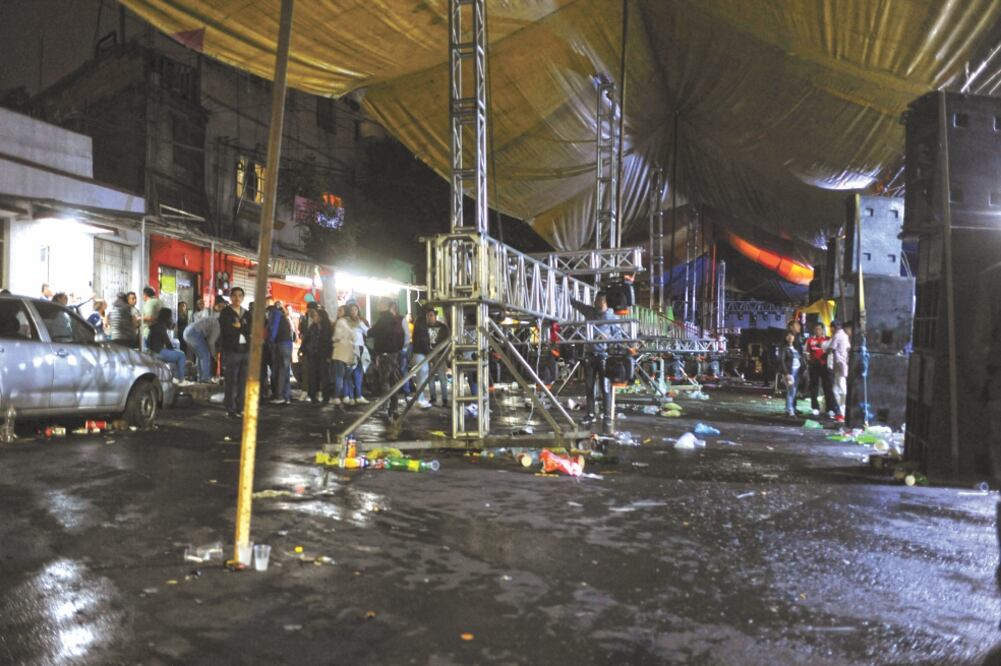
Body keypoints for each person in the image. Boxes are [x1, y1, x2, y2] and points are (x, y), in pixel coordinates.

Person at [571, 293, 618, 430]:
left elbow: (619, 335)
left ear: (605, 302)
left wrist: (607, 337)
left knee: (605, 387)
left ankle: (607, 415)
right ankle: (590, 414)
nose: (596, 303)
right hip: (590, 355)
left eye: (599, 301)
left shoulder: (611, 317)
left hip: (604, 356)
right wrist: (567, 288)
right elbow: (576, 304)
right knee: (589, 387)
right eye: (596, 301)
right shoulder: (591, 312)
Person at [369, 298, 406, 418]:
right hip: (393, 353)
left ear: (385, 305)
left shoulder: (384, 319)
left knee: (384, 379)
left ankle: (384, 404)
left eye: (379, 303)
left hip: (385, 353)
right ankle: (393, 405)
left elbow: (372, 332)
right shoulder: (393, 319)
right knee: (392, 380)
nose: (377, 305)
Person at [219, 287, 251, 418]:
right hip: (232, 350)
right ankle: (230, 408)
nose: (237, 298)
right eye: (235, 296)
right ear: (230, 297)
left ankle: (241, 407)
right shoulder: (226, 313)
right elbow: (227, 331)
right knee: (231, 381)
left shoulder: (247, 313)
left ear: (243, 298)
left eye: (240, 296)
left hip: (245, 350)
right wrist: (243, 329)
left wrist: (240, 327)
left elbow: (250, 329)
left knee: (243, 381)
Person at [332, 301, 369, 405]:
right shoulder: (345, 321)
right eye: (351, 309)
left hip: (360, 348)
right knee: (348, 373)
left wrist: (361, 325)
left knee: (357, 373)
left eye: (355, 309)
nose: (354, 312)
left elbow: (367, 331)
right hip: (351, 348)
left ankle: (357, 395)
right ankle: (347, 395)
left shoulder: (360, 321)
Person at [184, 300, 224, 382]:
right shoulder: (218, 326)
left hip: (187, 332)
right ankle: (205, 378)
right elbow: (211, 342)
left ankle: (200, 377)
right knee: (206, 355)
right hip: (194, 333)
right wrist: (214, 355)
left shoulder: (213, 319)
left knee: (200, 355)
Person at [147, 307, 189, 384]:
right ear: (167, 316)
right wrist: (172, 348)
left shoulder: (156, 324)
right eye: (170, 316)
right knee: (181, 355)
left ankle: (175, 378)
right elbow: (167, 341)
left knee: (175, 352)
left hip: (152, 351)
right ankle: (180, 379)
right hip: (158, 352)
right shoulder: (161, 326)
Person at [805, 322, 837, 419]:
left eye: (819, 328)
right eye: (816, 329)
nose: (817, 330)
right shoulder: (810, 340)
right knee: (814, 387)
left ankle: (830, 409)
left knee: (827, 387)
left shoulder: (828, 339)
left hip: (825, 366)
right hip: (814, 366)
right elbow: (806, 353)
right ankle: (815, 408)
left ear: (823, 329)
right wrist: (809, 361)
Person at [301, 306, 333, 403]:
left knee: (324, 376)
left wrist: (328, 356)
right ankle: (313, 396)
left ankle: (325, 397)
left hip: (323, 355)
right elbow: (306, 339)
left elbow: (330, 343)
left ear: (320, 317)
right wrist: (303, 349)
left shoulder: (328, 328)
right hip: (312, 355)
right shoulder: (312, 327)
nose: (313, 317)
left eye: (315, 316)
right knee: (313, 375)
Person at [268, 301, 294, 405]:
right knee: (285, 370)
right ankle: (286, 396)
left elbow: (273, 329)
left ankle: (279, 396)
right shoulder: (285, 318)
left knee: (279, 370)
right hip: (288, 344)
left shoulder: (275, 314)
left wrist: (271, 341)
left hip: (280, 344)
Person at [410, 305, 435, 409]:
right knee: (422, 378)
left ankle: (420, 399)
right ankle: (419, 400)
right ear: (428, 315)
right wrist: (429, 353)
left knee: (421, 378)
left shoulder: (419, 323)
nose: (433, 318)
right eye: (432, 315)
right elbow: (424, 342)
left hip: (418, 353)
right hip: (421, 354)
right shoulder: (422, 326)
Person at [424, 308, 450, 406]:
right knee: (430, 378)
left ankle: (445, 399)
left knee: (442, 377)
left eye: (431, 315)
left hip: (440, 355)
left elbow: (447, 341)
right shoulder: (424, 327)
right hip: (429, 355)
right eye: (427, 315)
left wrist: (445, 356)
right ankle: (433, 398)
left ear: (435, 316)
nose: (429, 318)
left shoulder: (443, 327)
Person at [829, 321, 852, 423]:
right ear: (848, 328)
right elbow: (831, 348)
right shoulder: (840, 335)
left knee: (838, 388)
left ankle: (841, 412)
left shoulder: (843, 335)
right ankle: (841, 412)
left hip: (841, 364)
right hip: (840, 364)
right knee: (839, 389)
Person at [780, 332, 802, 417]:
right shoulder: (784, 348)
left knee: (793, 391)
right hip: (790, 372)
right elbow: (782, 361)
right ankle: (790, 410)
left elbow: (800, 359)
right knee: (791, 391)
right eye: (788, 335)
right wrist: (786, 373)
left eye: (792, 336)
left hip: (797, 371)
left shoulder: (796, 348)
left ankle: (788, 409)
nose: (790, 337)